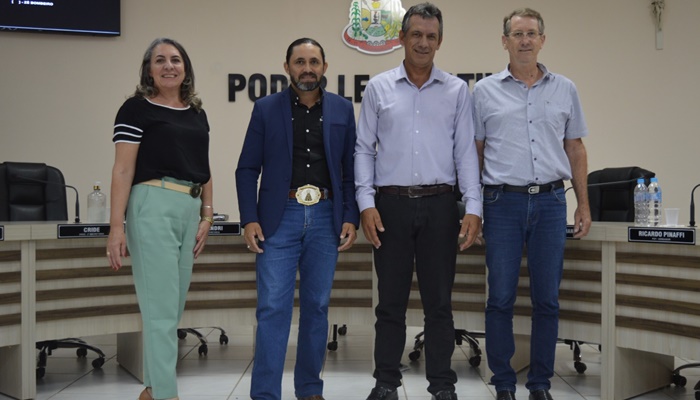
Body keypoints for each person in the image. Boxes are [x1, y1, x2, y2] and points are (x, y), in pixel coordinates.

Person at [354, 3, 482, 400]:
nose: (423, 43)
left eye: (431, 36)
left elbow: (465, 154)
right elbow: (363, 149)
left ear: (439, 41)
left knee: (439, 305)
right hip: (389, 207)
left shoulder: (457, 90)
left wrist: (474, 206)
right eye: (416, 35)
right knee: (389, 304)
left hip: (442, 206)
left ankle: (442, 386)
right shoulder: (378, 88)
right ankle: (385, 383)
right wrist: (365, 202)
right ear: (401, 39)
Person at [472, 8, 591, 400]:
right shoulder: (484, 91)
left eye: (532, 33)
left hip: (553, 202)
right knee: (501, 298)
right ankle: (504, 382)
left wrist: (584, 205)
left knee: (547, 299)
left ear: (543, 40)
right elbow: (475, 152)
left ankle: (540, 383)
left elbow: (574, 148)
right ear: (504, 41)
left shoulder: (565, 88)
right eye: (517, 34)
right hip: (501, 203)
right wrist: (473, 207)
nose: (525, 40)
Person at [235, 37, 359, 400]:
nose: (308, 68)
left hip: (326, 216)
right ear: (287, 66)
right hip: (279, 218)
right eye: (300, 61)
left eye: (314, 62)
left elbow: (351, 170)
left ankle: (309, 389)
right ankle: (265, 394)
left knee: (317, 308)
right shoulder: (266, 108)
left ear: (325, 66)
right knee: (273, 308)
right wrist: (249, 218)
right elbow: (246, 169)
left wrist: (350, 214)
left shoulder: (342, 109)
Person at [106, 37, 214, 400]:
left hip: (189, 208)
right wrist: (116, 227)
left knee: (170, 307)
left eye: (175, 59)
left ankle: (152, 390)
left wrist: (207, 215)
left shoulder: (197, 112)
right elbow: (122, 170)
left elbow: (205, 167)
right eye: (160, 60)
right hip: (151, 204)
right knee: (161, 310)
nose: (169, 65)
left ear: (186, 67)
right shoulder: (136, 109)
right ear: (148, 70)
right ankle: (167, 394)